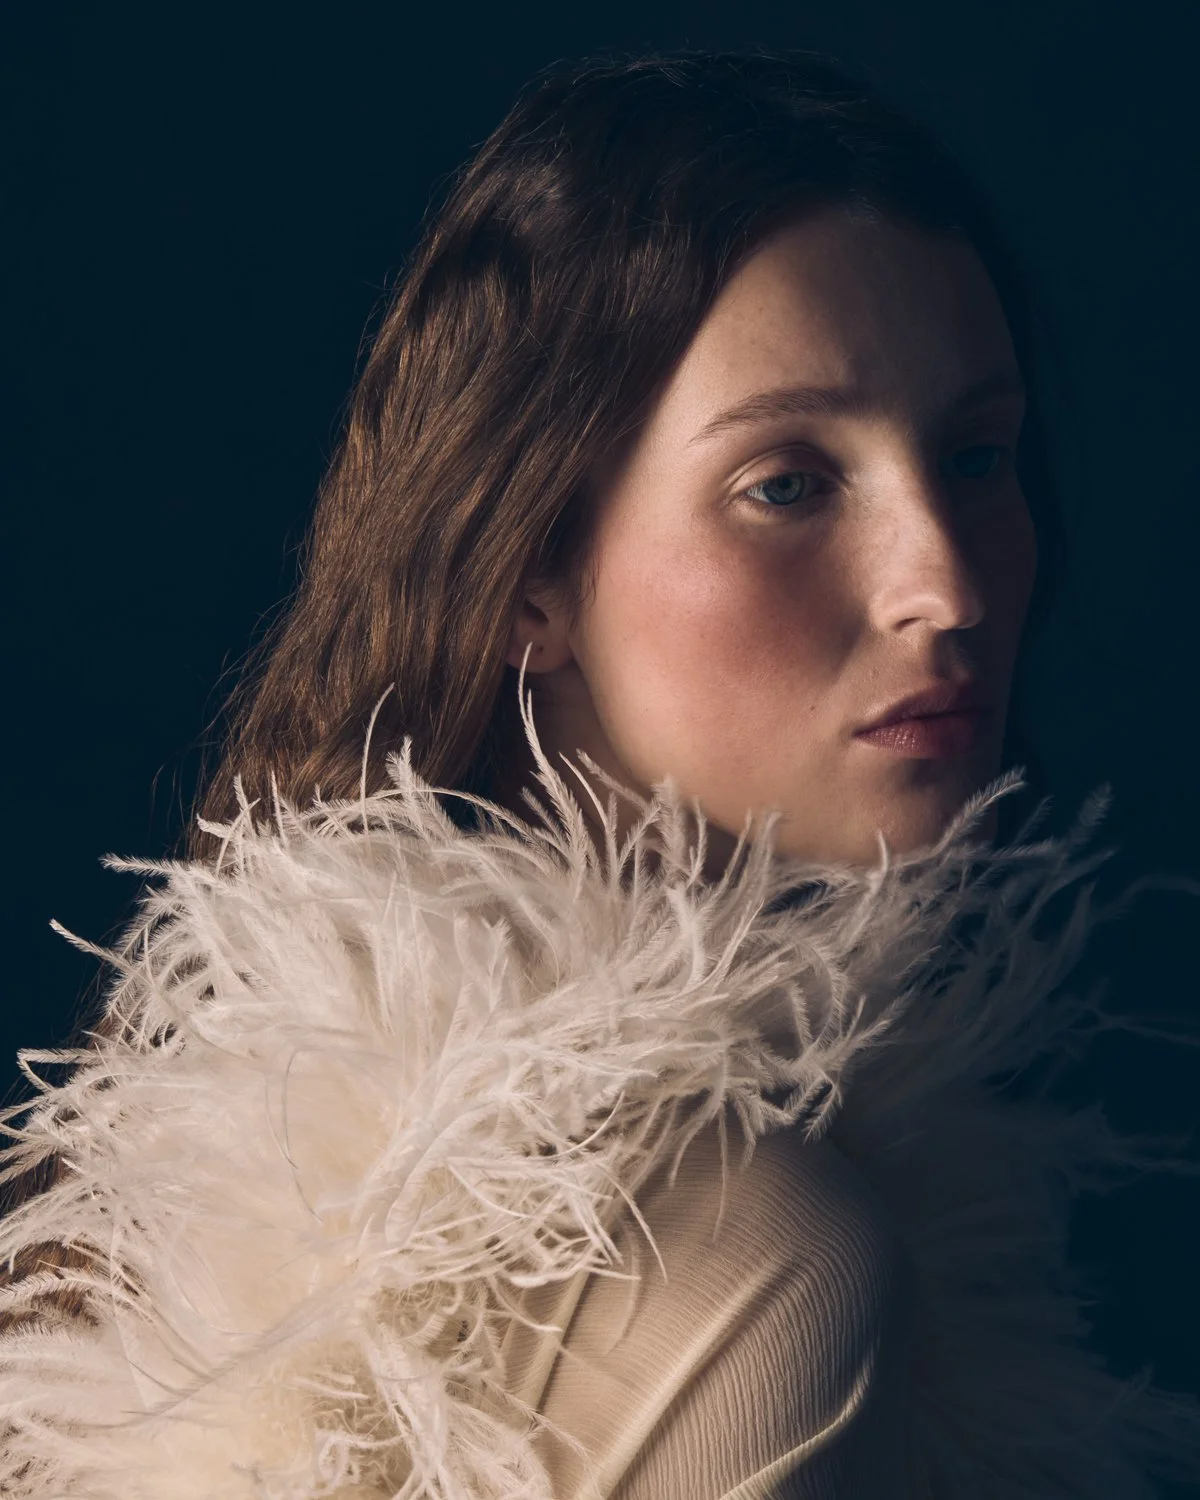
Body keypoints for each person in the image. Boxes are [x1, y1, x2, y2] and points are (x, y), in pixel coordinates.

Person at [0, 49, 1196, 1500]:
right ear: (529, 573)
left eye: (978, 455)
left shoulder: (296, 1148)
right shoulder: (756, 1263)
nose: (945, 584)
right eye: (787, 484)